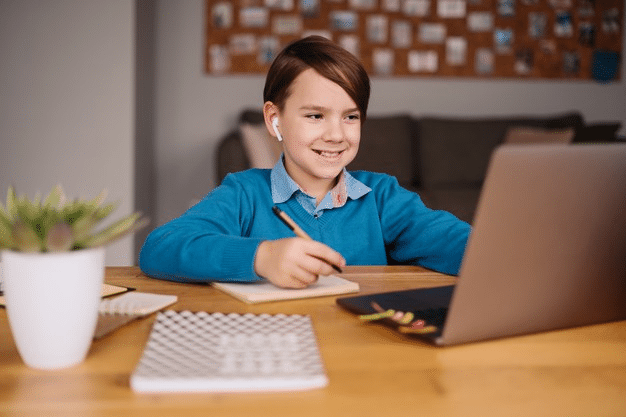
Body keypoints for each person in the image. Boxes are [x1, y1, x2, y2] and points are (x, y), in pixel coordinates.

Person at [139, 35, 471, 288]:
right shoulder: (243, 193)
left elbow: (461, 244)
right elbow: (160, 248)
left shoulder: (382, 197)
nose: (336, 134)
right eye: (315, 115)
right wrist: (261, 257)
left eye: (351, 116)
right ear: (275, 120)